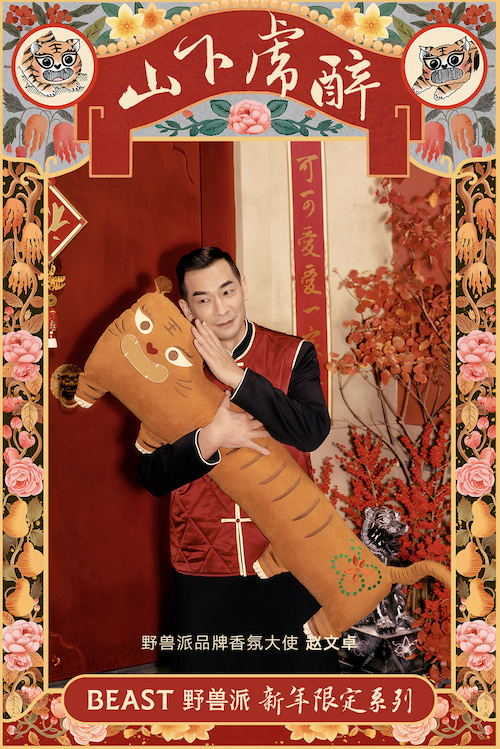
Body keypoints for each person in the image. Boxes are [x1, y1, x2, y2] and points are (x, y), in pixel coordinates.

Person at [137, 247, 338, 673]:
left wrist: (238, 378)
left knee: (301, 691)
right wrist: (210, 439)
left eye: (227, 291)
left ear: (243, 287)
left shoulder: (293, 354)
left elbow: (311, 431)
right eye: (203, 299)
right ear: (185, 308)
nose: (221, 308)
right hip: (204, 559)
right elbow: (151, 474)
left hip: (288, 552)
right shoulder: (165, 369)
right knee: (205, 695)